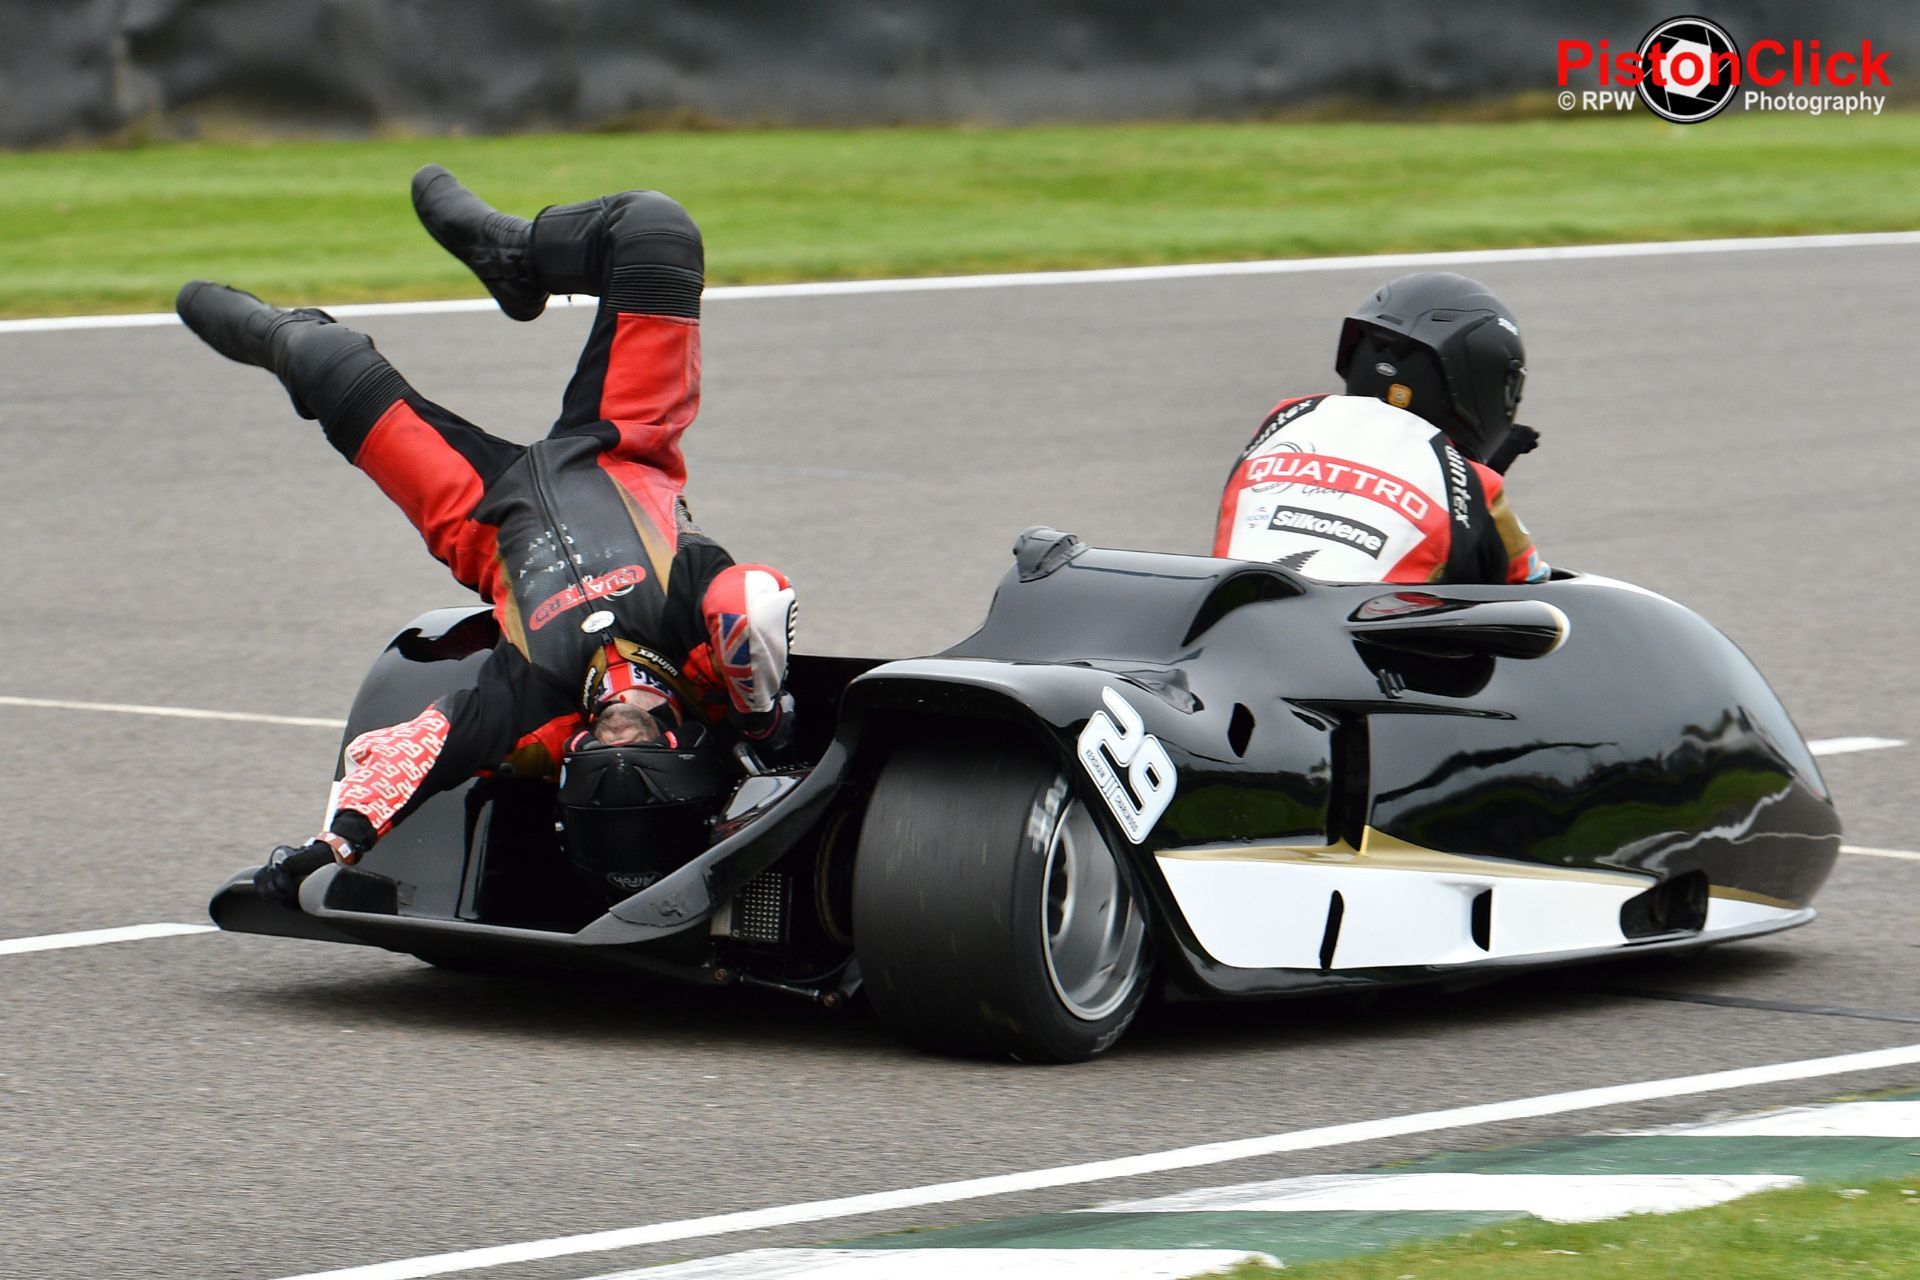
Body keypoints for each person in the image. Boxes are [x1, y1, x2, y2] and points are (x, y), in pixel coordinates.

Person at [176, 166, 797, 899]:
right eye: (636, 753)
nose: (614, 740)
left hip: (479, 515)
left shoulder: (532, 698)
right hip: (620, 445)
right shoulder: (702, 653)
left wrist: (328, 846)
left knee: (321, 360)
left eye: (598, 754)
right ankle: (512, 255)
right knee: (655, 229)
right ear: (683, 747)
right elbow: (753, 597)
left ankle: (286, 334)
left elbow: (421, 750)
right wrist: (761, 724)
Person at [1213, 272, 1548, 585]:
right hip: (1334, 642)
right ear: (1484, 378)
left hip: (1222, 626)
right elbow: (1537, 588)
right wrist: (1474, 488)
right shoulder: (1476, 485)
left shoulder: (1284, 419)